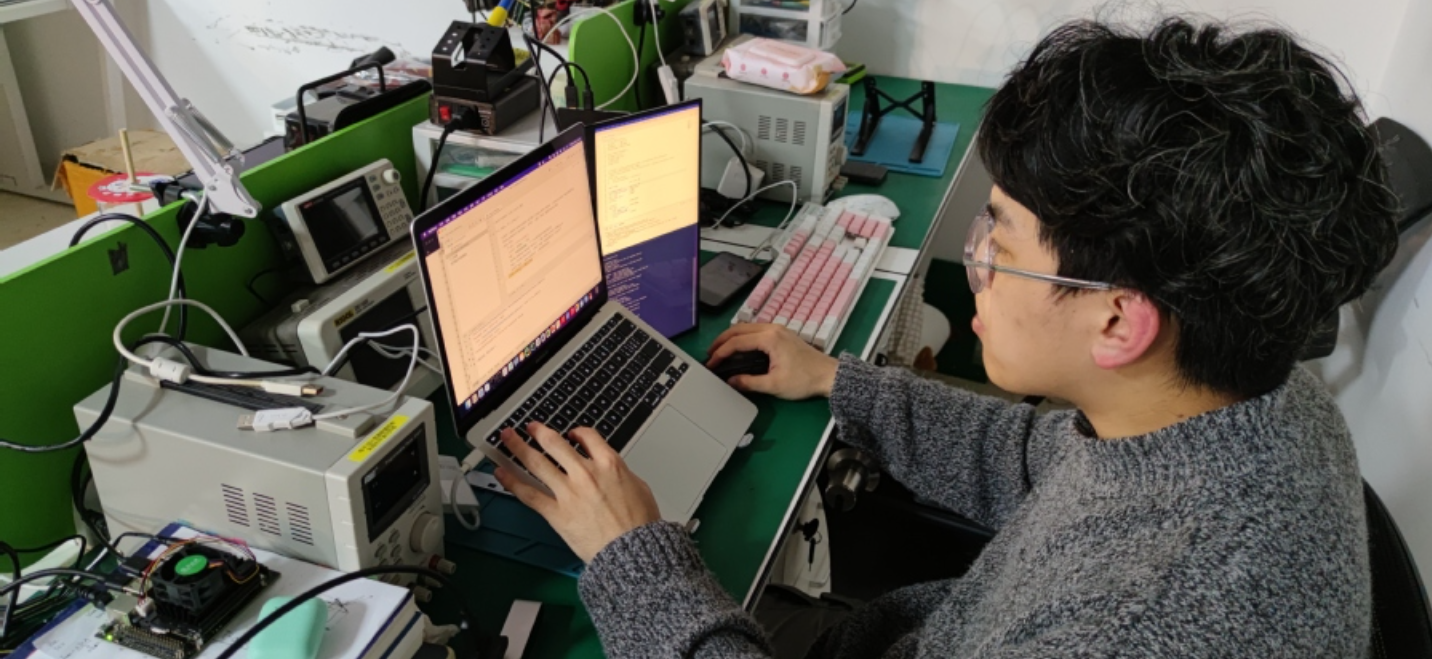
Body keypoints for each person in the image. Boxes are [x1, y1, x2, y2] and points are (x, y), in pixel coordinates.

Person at [491, 15, 1400, 658]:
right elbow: (1038, 460)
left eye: (1000, 240)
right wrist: (837, 381)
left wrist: (633, 558)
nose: (978, 263)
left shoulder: (1138, 627)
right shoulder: (1261, 401)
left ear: (1120, 320)